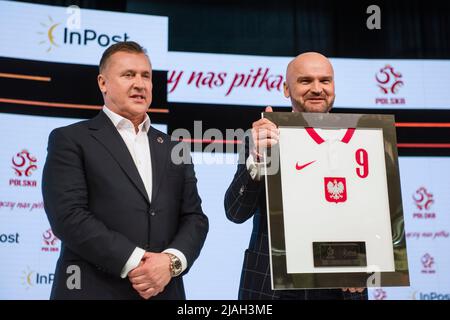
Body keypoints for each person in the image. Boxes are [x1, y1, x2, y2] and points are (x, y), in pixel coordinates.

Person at [42, 41, 208, 300]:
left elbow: (194, 218)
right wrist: (139, 263)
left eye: (146, 76)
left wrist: (170, 262)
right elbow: (68, 216)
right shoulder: (70, 139)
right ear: (103, 83)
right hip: (93, 291)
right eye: (128, 75)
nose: (140, 84)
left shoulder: (175, 147)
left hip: (164, 291)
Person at [224, 52, 367, 300]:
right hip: (271, 286)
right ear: (286, 89)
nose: (317, 88)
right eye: (305, 81)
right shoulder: (261, 138)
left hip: (342, 285)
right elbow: (235, 212)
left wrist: (367, 263)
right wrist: (258, 158)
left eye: (325, 80)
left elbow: (372, 214)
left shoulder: (359, 140)